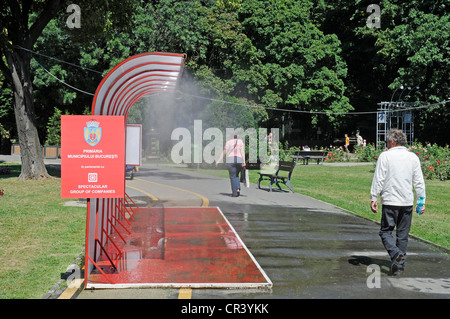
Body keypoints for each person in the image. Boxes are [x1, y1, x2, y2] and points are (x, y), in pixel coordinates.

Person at [370, 129, 426, 275]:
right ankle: (398, 268)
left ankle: (396, 254)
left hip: (390, 201)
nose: (387, 144)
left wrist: (373, 197)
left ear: (393, 141)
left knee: (385, 232)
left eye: (387, 141)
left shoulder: (385, 156)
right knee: (402, 235)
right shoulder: (413, 157)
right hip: (406, 202)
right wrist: (421, 201)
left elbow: (379, 178)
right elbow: (419, 181)